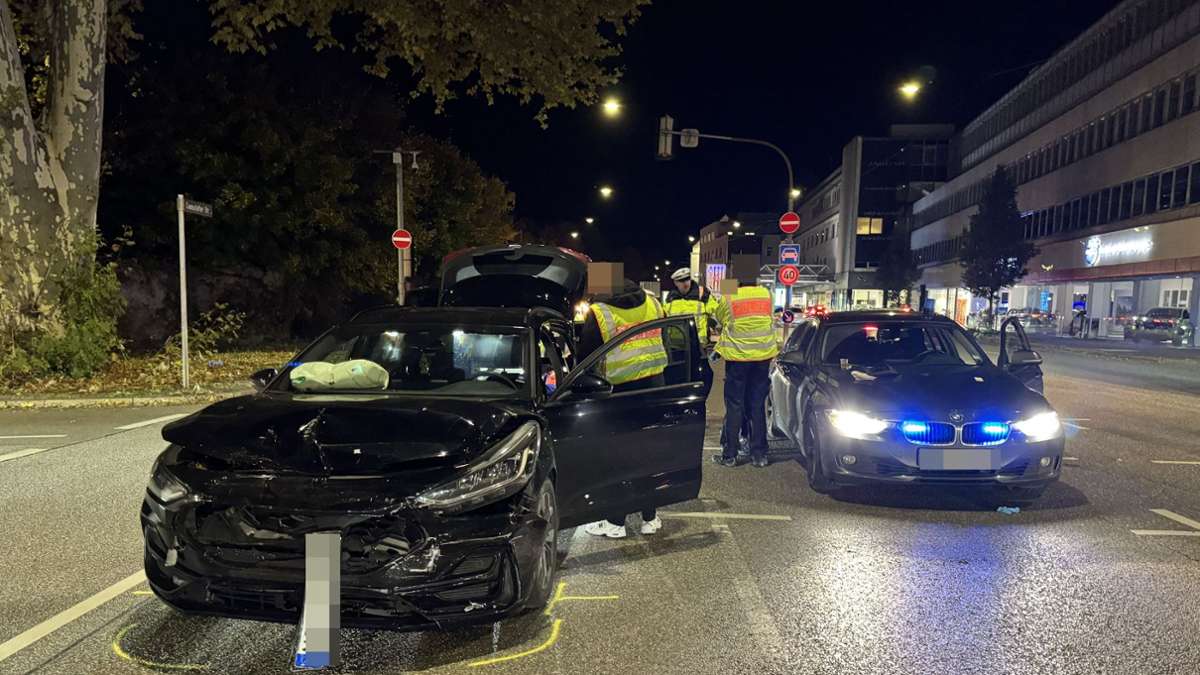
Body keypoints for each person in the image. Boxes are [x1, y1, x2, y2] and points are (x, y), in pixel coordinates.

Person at [579, 278, 667, 538]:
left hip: (620, 390)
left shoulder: (601, 312)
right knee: (648, 451)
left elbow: (586, 356)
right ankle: (650, 518)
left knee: (618, 456)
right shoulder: (652, 302)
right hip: (654, 386)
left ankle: (615, 522)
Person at [711, 284, 779, 468]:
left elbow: (720, 318)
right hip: (762, 357)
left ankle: (730, 455)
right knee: (757, 406)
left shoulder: (729, 296)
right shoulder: (766, 293)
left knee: (735, 406)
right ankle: (759, 455)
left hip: (738, 358)